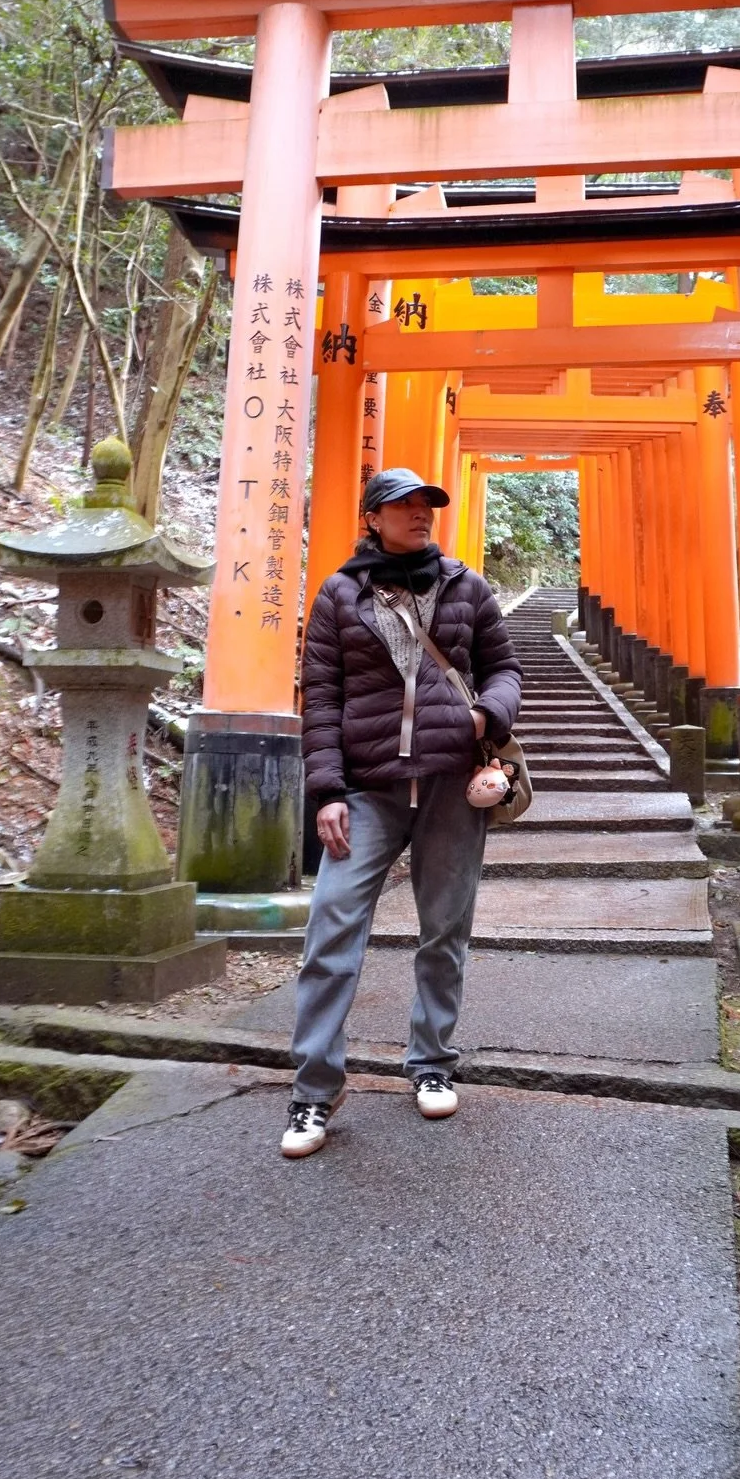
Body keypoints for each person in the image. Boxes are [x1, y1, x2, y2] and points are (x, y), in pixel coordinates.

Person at [282, 468, 522, 1158]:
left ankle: (432, 1063)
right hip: (366, 787)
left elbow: (506, 668)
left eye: (427, 506)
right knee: (332, 930)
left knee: (444, 929)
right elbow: (321, 699)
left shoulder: (467, 586)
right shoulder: (338, 594)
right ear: (372, 517)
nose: (420, 515)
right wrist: (326, 791)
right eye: (403, 506)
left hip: (451, 783)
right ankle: (314, 1091)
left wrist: (486, 711)